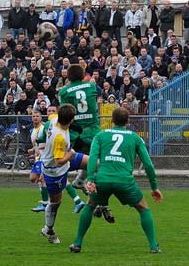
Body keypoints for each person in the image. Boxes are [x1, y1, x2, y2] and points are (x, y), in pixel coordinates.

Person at [69, 107, 162, 254]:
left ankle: (77, 243)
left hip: (102, 179)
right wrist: (154, 187)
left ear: (112, 120)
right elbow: (149, 165)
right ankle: (154, 246)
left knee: (90, 205)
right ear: (128, 121)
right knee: (143, 208)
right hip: (124, 181)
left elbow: (92, 158)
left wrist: (91, 179)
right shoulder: (135, 137)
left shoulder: (100, 136)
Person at [58, 64, 115, 222]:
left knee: (87, 164)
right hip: (94, 132)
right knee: (98, 167)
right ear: (83, 74)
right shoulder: (91, 86)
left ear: (68, 77)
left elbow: (65, 111)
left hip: (77, 134)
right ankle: (100, 204)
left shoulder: (63, 92)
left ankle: (81, 184)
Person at [36, 104, 89, 244]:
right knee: (55, 202)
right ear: (71, 120)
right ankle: (48, 229)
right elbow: (59, 161)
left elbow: (43, 132)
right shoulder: (59, 137)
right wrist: (71, 153)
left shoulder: (53, 119)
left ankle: (80, 182)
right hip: (55, 170)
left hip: (64, 160)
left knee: (93, 162)